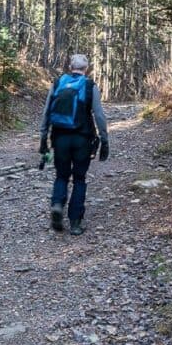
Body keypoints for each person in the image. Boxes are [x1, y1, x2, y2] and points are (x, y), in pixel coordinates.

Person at [39, 54, 109, 235]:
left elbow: (46, 112)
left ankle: (57, 205)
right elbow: (99, 115)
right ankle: (76, 222)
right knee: (79, 179)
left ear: (71, 67)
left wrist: (43, 137)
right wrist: (104, 139)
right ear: (86, 68)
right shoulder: (89, 85)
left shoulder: (57, 83)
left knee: (61, 176)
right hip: (82, 140)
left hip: (59, 138)